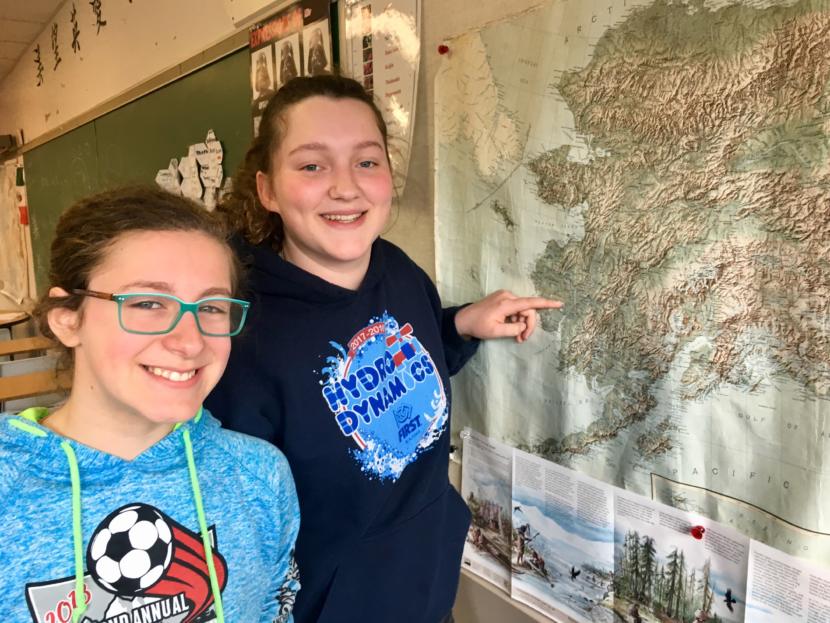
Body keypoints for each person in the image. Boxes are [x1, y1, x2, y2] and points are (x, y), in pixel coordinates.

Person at [207, 74, 563, 623]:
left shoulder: (396, 268)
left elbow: (410, 362)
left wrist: (462, 323)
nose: (345, 187)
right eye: (311, 165)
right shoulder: (240, 335)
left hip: (428, 583)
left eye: (367, 162)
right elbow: (237, 522)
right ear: (267, 190)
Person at [0, 187, 300, 623]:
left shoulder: (259, 475)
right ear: (68, 319)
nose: (190, 340)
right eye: (147, 303)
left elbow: (275, 608)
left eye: (212, 307)